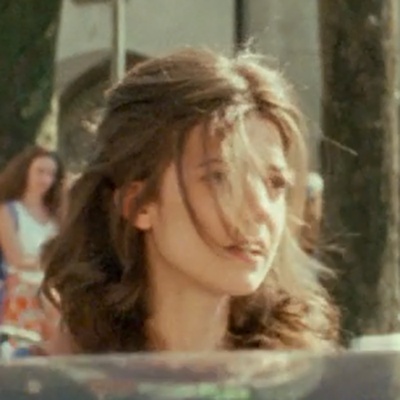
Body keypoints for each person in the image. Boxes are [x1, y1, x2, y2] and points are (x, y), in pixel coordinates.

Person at [40, 48, 338, 355]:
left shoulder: (310, 374)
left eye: (275, 183)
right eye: (220, 178)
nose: (260, 209)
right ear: (138, 203)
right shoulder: (64, 375)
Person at [0, 146, 64, 351]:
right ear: (25, 171)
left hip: (52, 282)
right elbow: (15, 258)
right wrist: (50, 263)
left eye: (51, 174)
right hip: (22, 284)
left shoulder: (56, 214)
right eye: (40, 171)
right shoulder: (8, 211)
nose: (45, 179)